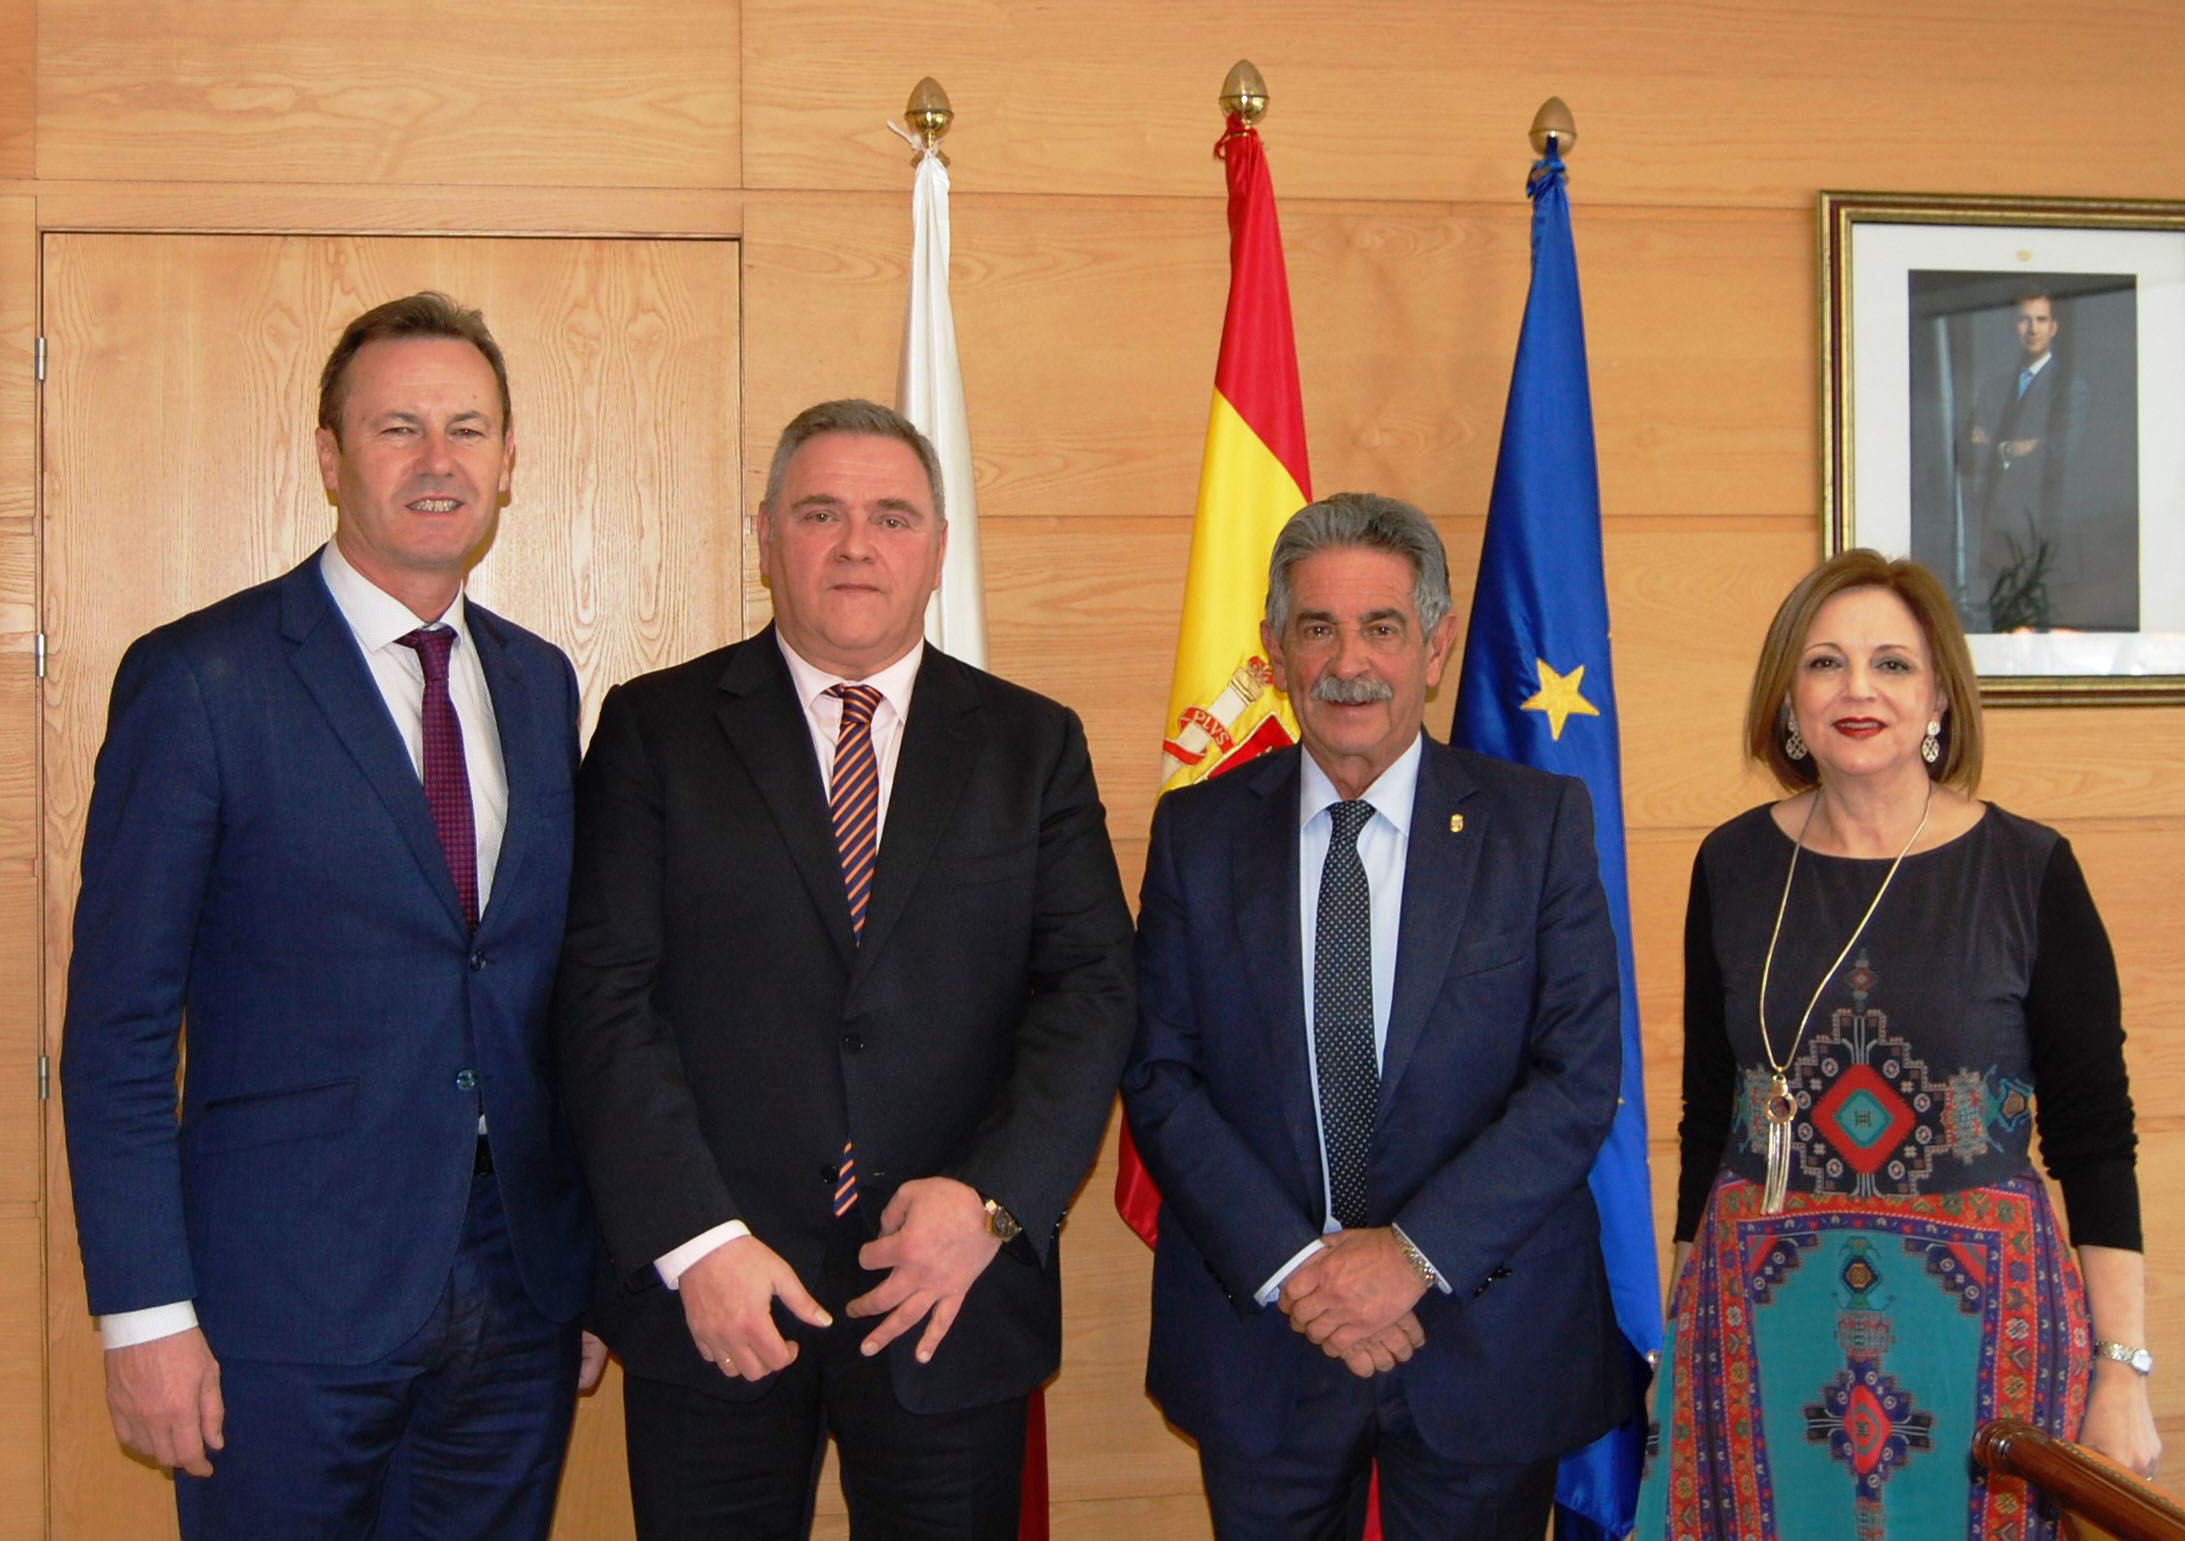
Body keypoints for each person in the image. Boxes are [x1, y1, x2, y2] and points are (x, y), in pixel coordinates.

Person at [60, 292, 601, 1538]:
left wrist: (583, 1268)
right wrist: (144, 1314)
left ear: (508, 463)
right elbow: (120, 1028)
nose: (436, 460)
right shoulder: (201, 679)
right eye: (397, 427)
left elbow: (547, 991)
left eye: (467, 429)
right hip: (279, 1303)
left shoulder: (538, 682)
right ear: (328, 454)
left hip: (516, 1289)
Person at [552, 398, 1136, 1538]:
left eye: (891, 516)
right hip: (716, 1293)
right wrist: (696, 1240)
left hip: (948, 1290)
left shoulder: (1031, 743)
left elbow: (1092, 987)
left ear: (937, 548)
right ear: (765, 535)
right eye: (820, 513)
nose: (856, 544)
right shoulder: (655, 728)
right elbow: (602, 997)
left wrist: (991, 1203)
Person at [1123, 492, 1630, 1539]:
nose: (1348, 662)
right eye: (1317, 627)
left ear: (1436, 646)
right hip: (1266, 1332)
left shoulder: (1536, 827)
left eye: (1382, 627)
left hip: (1483, 1332)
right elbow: (1160, 1074)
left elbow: (1576, 1080)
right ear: (1274, 651)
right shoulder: (1196, 834)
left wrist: (1407, 1256)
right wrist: (1299, 1270)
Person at [1638, 548, 2158, 1540]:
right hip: (1758, 1323)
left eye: (1891, 663)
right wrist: (1677, 1330)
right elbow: (1710, 1116)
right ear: (1787, 702)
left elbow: (2095, 1138)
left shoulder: (2029, 869)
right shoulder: (1730, 863)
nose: (1857, 689)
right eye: (1824, 663)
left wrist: (2121, 1369)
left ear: (1938, 699)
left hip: (1984, 1336)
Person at [1961, 286, 2090, 628]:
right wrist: (2018, 447)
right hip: (1997, 540)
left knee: (2042, 640)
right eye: (2024, 320)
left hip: (2044, 541)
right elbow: (1967, 454)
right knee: (1999, 637)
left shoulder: (2070, 387)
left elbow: (2057, 453)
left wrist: (1997, 447)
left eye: (2041, 320)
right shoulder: (1993, 388)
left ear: (2054, 327)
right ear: (2013, 325)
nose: (2032, 329)